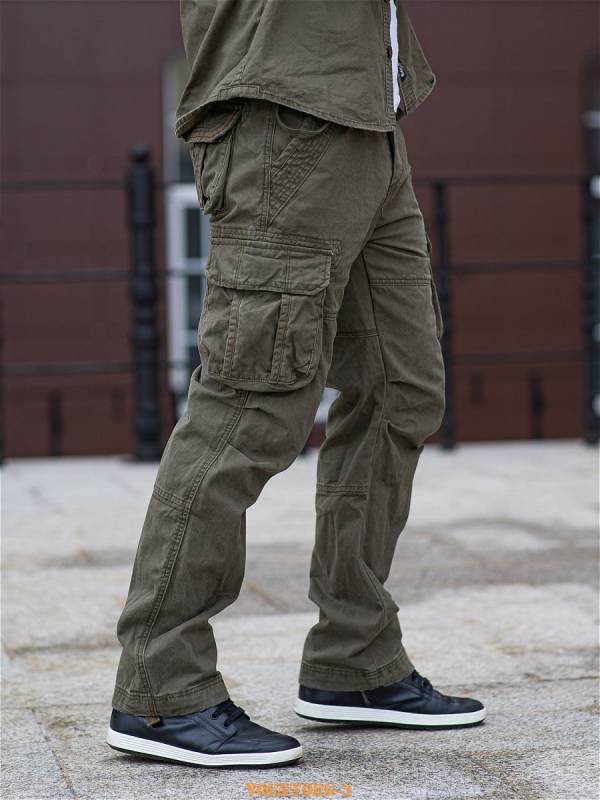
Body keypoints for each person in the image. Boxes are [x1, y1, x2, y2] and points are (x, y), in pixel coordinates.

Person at [106, 0, 485, 768]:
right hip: (288, 120)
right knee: (251, 401)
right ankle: (161, 684)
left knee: (402, 387)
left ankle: (355, 656)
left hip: (370, 118)